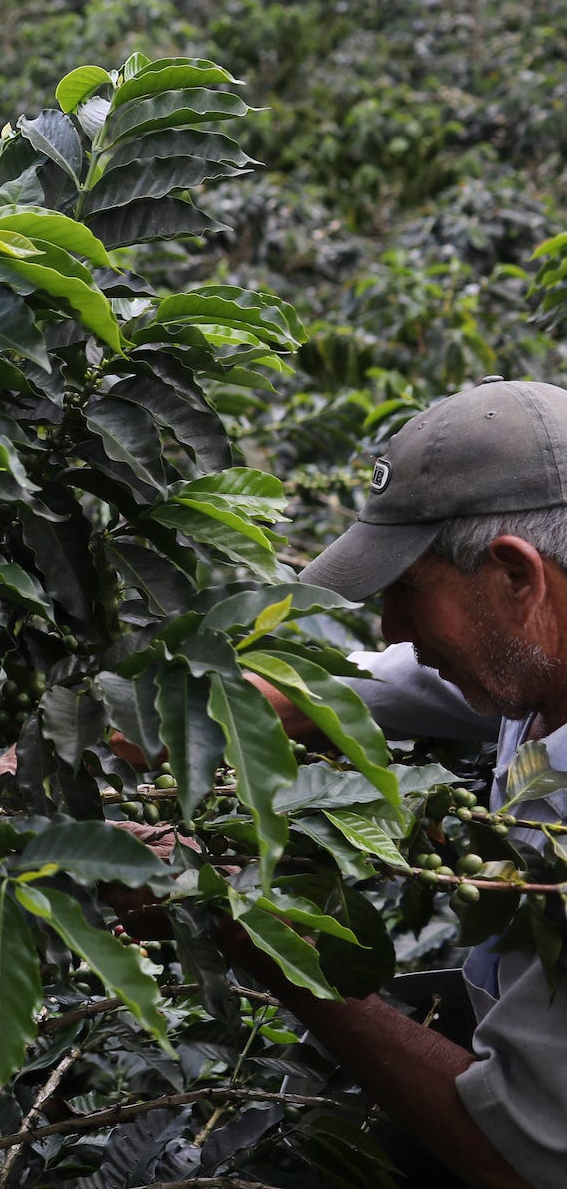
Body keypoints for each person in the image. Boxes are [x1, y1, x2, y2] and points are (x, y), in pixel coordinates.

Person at [249, 377, 567, 1189]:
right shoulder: (538, 656)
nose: (391, 626)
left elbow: (522, 1157)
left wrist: (274, 954)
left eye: (406, 591)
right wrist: (247, 701)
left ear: (517, 578)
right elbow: (410, 675)